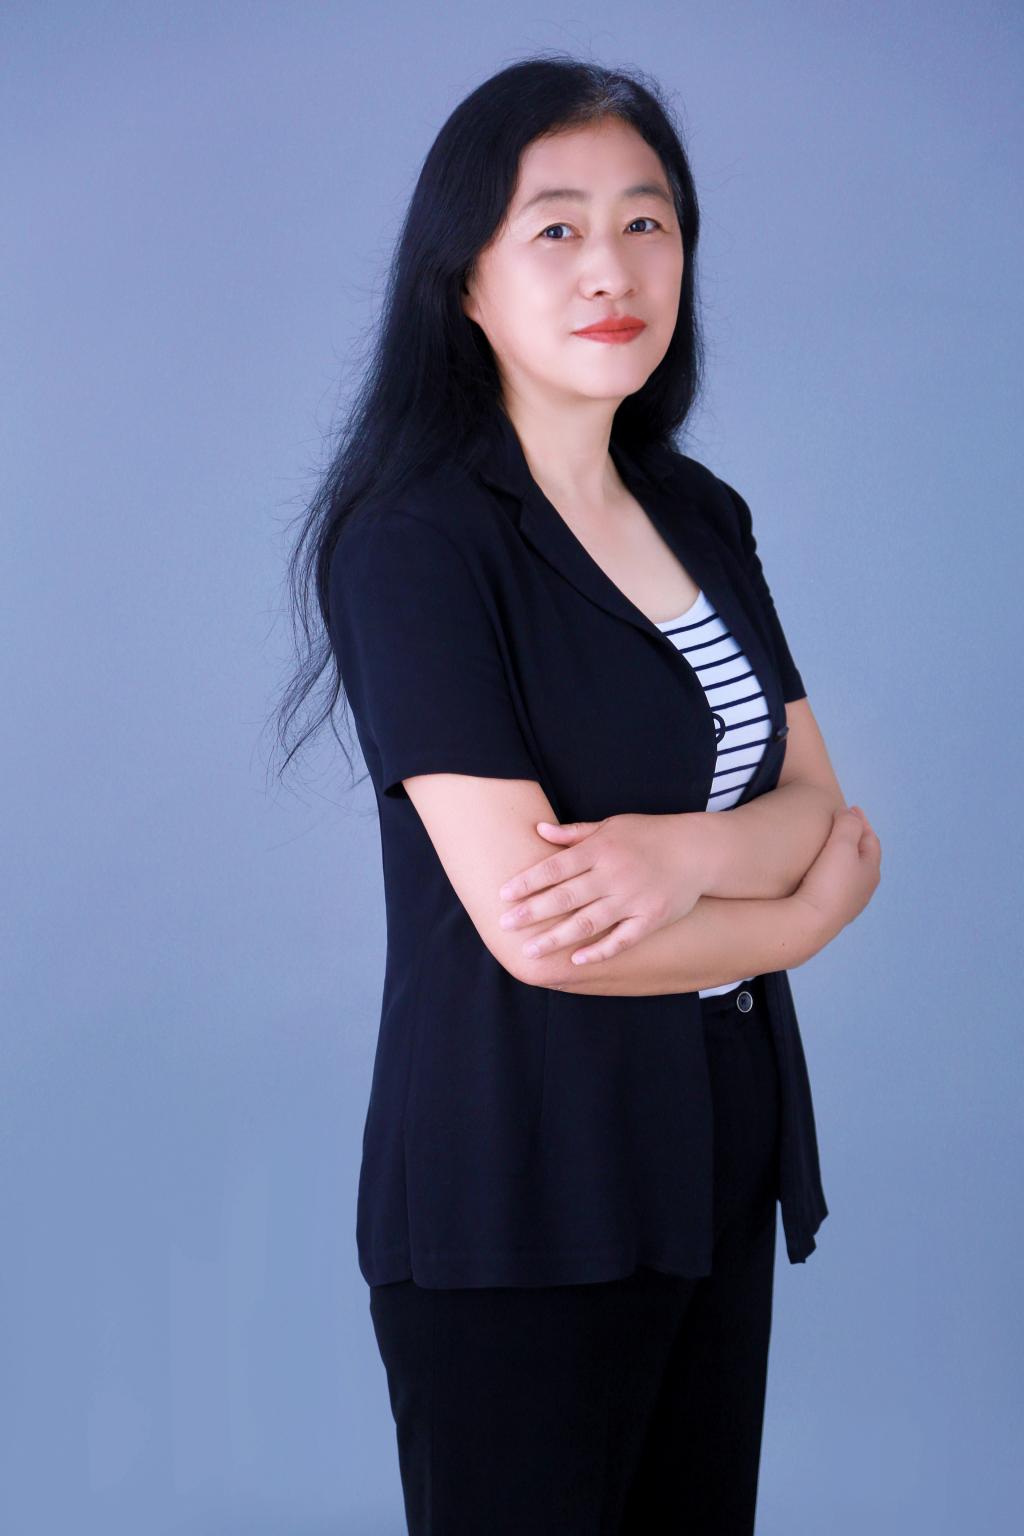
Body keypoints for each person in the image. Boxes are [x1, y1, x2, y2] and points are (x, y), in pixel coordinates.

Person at [273, 53, 881, 1536]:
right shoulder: (415, 542)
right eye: (556, 228)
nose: (612, 267)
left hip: (716, 1146)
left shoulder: (698, 512)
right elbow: (542, 936)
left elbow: (819, 805)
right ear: (464, 279)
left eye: (646, 222)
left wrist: (678, 856)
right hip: (523, 1181)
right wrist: (800, 924)